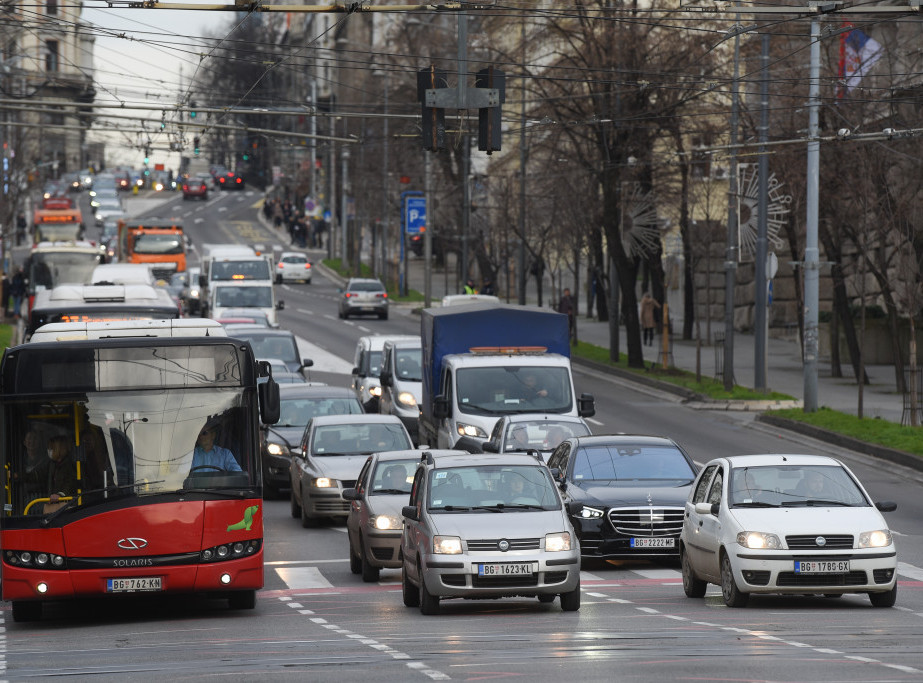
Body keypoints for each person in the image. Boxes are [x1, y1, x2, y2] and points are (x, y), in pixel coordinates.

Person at [43, 435, 79, 512]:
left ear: (59, 449)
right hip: (54, 504)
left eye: (51, 448)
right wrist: (18, 475)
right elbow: (39, 475)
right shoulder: (52, 465)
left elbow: (71, 482)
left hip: (67, 505)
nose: (49, 451)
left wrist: (60, 494)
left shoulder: (70, 465)